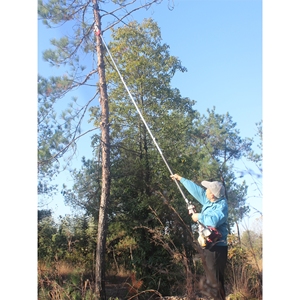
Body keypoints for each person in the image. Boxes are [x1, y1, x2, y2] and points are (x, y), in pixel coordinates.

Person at [170, 174, 228, 300]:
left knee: (215, 282)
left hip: (217, 249)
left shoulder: (221, 206)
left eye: (208, 189)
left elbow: (213, 221)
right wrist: (181, 179)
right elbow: (197, 191)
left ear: (212, 194)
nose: (205, 191)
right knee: (212, 280)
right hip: (210, 247)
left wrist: (199, 216)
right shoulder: (209, 200)